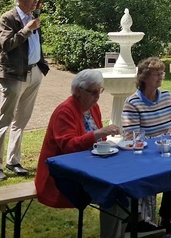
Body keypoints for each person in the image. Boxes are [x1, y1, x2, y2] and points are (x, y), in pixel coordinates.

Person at [35, 70, 127, 238]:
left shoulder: (93, 108)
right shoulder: (65, 111)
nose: (97, 96)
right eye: (93, 92)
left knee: (125, 187)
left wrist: (105, 140)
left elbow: (99, 142)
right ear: (78, 91)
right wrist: (98, 133)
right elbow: (69, 147)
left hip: (89, 167)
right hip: (62, 176)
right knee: (113, 195)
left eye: (100, 91)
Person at [122, 57, 171, 231]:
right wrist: (160, 139)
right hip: (147, 155)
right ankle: (168, 217)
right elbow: (133, 137)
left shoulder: (166, 96)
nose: (160, 77)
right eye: (155, 74)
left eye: (161, 73)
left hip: (168, 149)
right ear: (143, 77)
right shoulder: (132, 103)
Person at [0, 0, 49, 181]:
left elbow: (35, 44)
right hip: (14, 75)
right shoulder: (8, 18)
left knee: (21, 120)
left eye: (36, 0)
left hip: (33, 73)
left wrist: (40, 63)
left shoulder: (33, 18)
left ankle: (13, 161)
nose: (35, 4)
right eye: (32, 0)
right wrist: (26, 30)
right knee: (4, 120)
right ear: (21, 0)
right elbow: (6, 45)